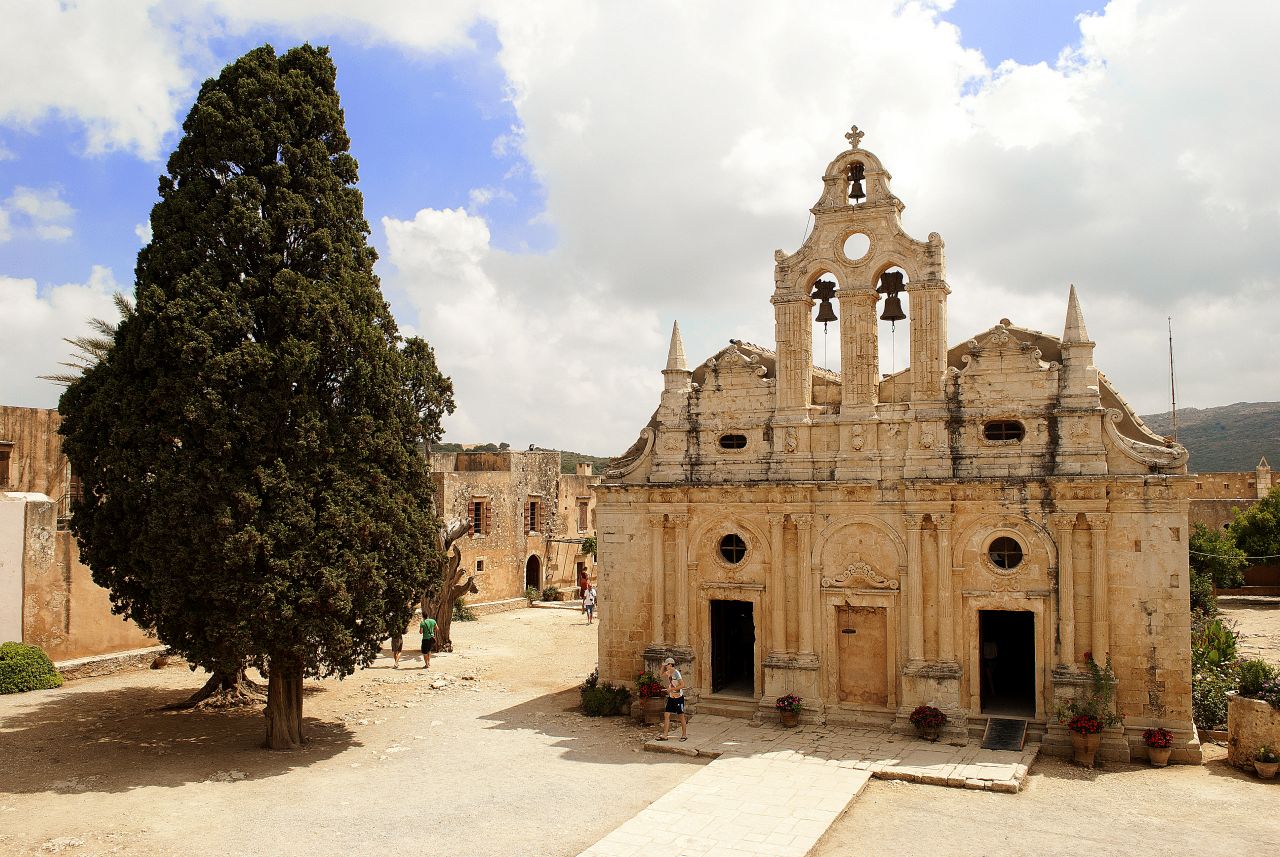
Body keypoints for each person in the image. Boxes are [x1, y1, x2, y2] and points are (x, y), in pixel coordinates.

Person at [656, 657, 686, 741]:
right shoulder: (669, 672)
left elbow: (682, 685)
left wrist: (671, 689)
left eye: (666, 665)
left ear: (670, 665)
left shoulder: (676, 673)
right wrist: (662, 666)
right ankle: (665, 735)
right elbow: (660, 675)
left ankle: (684, 735)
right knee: (666, 714)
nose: (666, 666)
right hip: (671, 697)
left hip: (678, 697)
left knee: (681, 716)